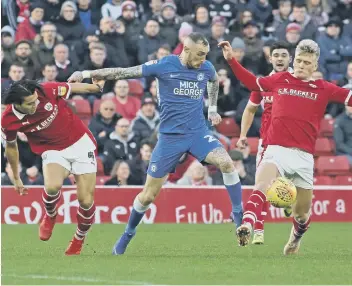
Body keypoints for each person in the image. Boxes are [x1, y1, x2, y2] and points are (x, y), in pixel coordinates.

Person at [68, 32, 244, 255]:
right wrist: (85, 73)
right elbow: (124, 72)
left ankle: (238, 215)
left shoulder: (206, 67)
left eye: (205, 55)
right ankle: (127, 234)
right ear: (185, 50)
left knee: (226, 162)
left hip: (197, 132)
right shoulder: (164, 65)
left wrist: (212, 109)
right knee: (148, 195)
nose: (203, 59)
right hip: (170, 138)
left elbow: (214, 81)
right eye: (199, 54)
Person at [218, 39, 352, 254]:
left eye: (306, 62)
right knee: (260, 185)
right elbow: (252, 83)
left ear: (315, 66)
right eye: (298, 60)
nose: (300, 65)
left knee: (301, 215)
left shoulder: (324, 88)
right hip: (276, 149)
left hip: (304, 158)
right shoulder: (280, 79)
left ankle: (295, 239)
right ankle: (247, 225)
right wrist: (232, 61)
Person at [1, 78, 105, 255]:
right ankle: (50, 214)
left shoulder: (47, 90)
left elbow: (73, 87)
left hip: (79, 142)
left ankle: (79, 239)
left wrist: (96, 87)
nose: (36, 103)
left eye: (35, 99)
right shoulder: (7, 120)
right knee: (52, 186)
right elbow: (11, 147)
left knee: (86, 201)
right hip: (51, 148)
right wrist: (17, 177)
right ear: (16, 104)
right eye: (30, 103)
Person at [238, 41, 293, 245]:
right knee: (263, 185)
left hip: (294, 144)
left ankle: (290, 200)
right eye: (276, 55)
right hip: (268, 142)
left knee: (284, 188)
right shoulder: (263, 84)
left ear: (290, 59)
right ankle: (258, 229)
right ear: (270, 59)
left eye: (283, 55)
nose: (279, 58)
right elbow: (250, 109)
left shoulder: (299, 82)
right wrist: (243, 134)